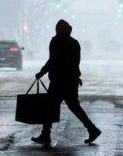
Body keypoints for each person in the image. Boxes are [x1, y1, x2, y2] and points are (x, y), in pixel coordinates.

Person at [32, 19, 101, 147]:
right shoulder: (74, 43)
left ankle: (46, 135)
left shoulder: (56, 41)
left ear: (58, 30)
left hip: (58, 81)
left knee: (50, 107)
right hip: (71, 81)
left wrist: (41, 72)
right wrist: (76, 76)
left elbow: (52, 60)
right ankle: (92, 129)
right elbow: (75, 62)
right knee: (74, 107)